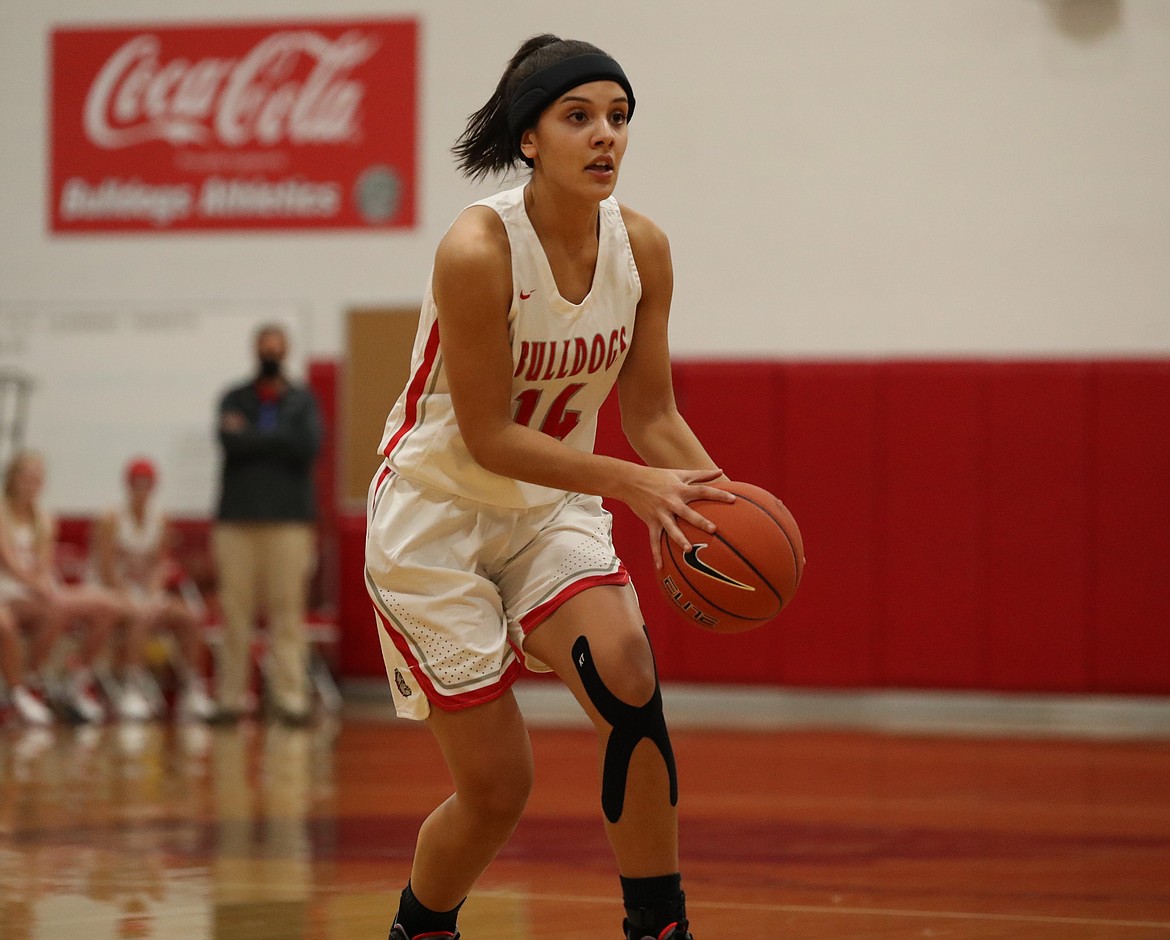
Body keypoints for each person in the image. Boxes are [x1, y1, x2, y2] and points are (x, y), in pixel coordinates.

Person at [364, 34, 735, 940]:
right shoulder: (477, 247)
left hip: (549, 507)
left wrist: (712, 502)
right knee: (499, 790)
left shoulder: (641, 246)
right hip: (435, 517)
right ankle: (421, 928)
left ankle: (659, 924)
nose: (605, 136)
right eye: (579, 117)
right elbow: (490, 436)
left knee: (629, 672)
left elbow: (651, 415)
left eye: (618, 118)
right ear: (529, 138)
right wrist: (636, 486)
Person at [212, 324, 322, 726]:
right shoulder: (233, 397)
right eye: (265, 347)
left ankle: (290, 699)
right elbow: (229, 443)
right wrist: (277, 439)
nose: (270, 353)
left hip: (289, 523)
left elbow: (308, 446)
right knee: (235, 614)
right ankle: (229, 700)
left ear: (286, 351)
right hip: (236, 523)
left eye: (277, 347)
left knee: (287, 615)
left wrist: (254, 437)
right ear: (255, 350)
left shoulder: (302, 401)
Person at [0, 450, 126, 724]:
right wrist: (38, 585)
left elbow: (44, 563)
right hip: (7, 589)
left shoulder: (44, 519)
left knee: (107, 606)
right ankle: (19, 689)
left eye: (38, 479)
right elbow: (8, 562)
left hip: (33, 591)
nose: (33, 484)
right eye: (27, 478)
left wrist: (43, 583)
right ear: (13, 478)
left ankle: (71, 680)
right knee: (14, 620)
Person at [91, 457, 215, 722]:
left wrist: (152, 593)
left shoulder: (160, 519)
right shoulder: (111, 519)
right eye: (137, 484)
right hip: (111, 592)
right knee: (141, 616)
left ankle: (191, 688)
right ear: (128, 486)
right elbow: (106, 571)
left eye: (147, 484)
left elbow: (161, 565)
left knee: (190, 616)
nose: (142, 489)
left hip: (144, 592)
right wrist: (134, 597)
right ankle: (131, 685)